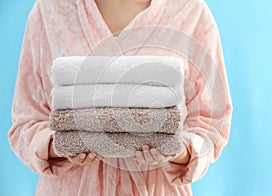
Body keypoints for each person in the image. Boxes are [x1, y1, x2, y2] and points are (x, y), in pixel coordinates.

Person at [8, 0, 233, 195]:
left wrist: (176, 151)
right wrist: (63, 145)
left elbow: (211, 120)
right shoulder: (51, 11)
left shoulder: (189, 12)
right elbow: (25, 121)